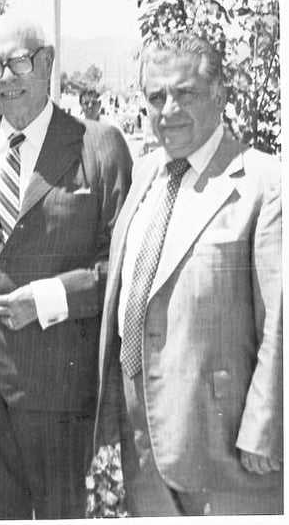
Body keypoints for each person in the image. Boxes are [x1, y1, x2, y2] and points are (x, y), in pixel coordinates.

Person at [0, 13, 133, 519]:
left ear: (46, 63)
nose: (5, 77)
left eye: (19, 62)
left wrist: (50, 298)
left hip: (60, 387)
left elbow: (122, 268)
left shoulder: (99, 145)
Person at [94, 33, 282, 516]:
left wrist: (267, 427)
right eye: (156, 97)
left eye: (186, 93)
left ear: (220, 95)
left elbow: (281, 322)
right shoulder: (146, 176)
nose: (169, 109)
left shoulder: (264, 183)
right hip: (142, 438)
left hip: (224, 443)